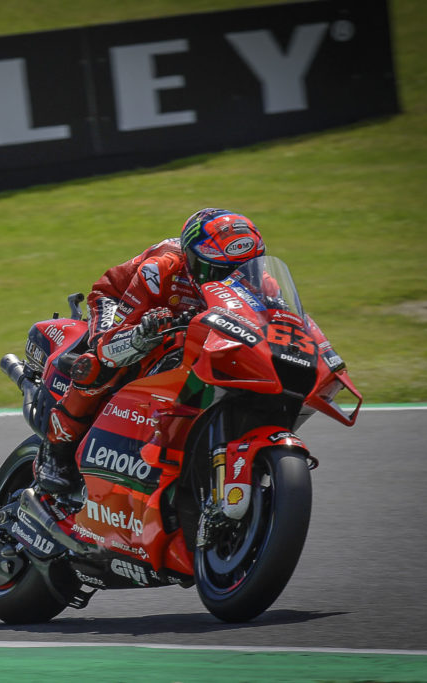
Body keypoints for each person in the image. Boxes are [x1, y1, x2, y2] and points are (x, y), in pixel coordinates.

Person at [35, 208, 267, 501]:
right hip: (120, 303)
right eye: (219, 271)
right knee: (101, 361)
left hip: (191, 324)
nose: (232, 278)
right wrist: (141, 336)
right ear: (193, 261)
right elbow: (112, 340)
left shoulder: (262, 282)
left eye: (244, 268)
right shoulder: (160, 271)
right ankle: (56, 450)